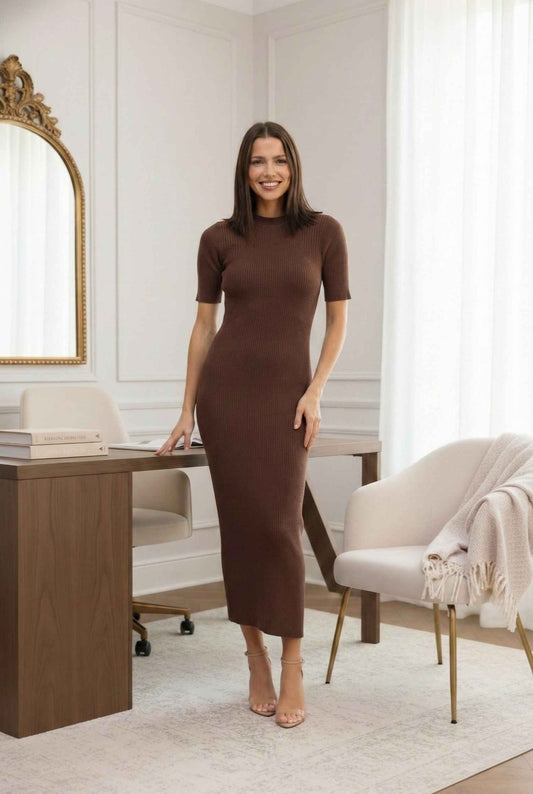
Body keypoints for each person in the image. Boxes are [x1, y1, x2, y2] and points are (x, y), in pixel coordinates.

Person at [155, 121, 351, 728]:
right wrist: (187, 408)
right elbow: (203, 327)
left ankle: (293, 663)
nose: (269, 171)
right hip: (228, 398)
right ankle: (256, 657)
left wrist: (315, 393)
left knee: (280, 527)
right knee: (242, 529)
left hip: (289, 400)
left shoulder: (324, 233)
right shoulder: (219, 238)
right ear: (244, 171)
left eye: (280, 160)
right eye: (258, 162)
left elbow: (337, 323)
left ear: (294, 167)